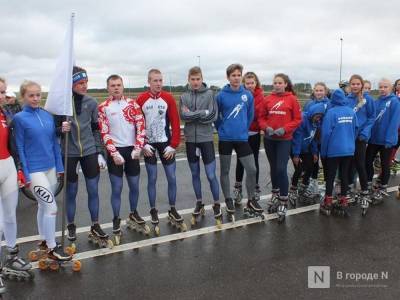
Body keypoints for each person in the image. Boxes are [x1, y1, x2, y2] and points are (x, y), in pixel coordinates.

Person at [13, 80, 72, 261]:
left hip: (51, 168)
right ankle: (53, 248)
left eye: (38, 94)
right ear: (23, 97)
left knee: (43, 205)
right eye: (31, 95)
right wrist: (25, 172)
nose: (35, 98)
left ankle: (44, 240)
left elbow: (54, 143)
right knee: (51, 207)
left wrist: (60, 167)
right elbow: (19, 148)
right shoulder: (19, 119)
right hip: (34, 171)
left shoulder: (46, 115)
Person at [54, 66, 109, 247]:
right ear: (71, 84)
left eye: (86, 82)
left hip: (89, 152)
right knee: (71, 192)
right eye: (80, 83)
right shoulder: (61, 104)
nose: (84, 86)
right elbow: (53, 131)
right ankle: (70, 225)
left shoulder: (92, 103)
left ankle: (95, 224)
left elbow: (96, 130)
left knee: (93, 190)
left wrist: (100, 152)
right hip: (69, 153)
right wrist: (61, 129)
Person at [137, 69, 186, 234]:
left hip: (165, 143)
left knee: (172, 177)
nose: (158, 83)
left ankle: (172, 208)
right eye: (155, 81)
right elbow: (137, 125)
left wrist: (173, 144)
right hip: (149, 145)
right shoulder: (141, 99)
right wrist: (143, 143)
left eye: (160, 80)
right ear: (149, 82)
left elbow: (175, 122)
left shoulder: (168, 98)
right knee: (152, 178)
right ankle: (153, 210)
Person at [98, 75, 147, 242]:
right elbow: (104, 132)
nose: (116, 88)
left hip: (132, 150)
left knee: (134, 185)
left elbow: (141, 127)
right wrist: (113, 153)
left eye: (119, 85)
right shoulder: (103, 107)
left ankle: (133, 213)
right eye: (113, 85)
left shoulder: (133, 105)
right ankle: (116, 219)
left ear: (123, 87)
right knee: (117, 188)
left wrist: (138, 147)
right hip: (116, 152)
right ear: (108, 88)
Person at [215, 64, 263, 221]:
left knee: (252, 169)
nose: (236, 78)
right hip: (225, 139)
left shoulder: (247, 95)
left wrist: (243, 129)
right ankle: (228, 199)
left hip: (242, 138)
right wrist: (222, 129)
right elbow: (217, 116)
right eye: (233, 75)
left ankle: (250, 200)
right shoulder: (221, 95)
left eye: (238, 75)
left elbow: (250, 115)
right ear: (228, 77)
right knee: (225, 171)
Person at [0, 78, 32, 292]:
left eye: (2, 92)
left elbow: (14, 134)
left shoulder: (4, 114)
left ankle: (11, 256)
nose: (1, 96)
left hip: (8, 167)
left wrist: (19, 168)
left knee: (10, 216)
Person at [179, 67, 221, 225]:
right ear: (189, 79)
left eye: (198, 79)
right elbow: (183, 116)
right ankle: (199, 202)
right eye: (192, 79)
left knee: (211, 175)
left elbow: (212, 115)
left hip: (206, 140)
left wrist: (194, 114)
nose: (195, 82)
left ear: (202, 78)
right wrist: (201, 113)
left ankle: (217, 203)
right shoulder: (184, 96)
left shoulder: (210, 94)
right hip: (191, 140)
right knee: (195, 174)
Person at [257, 73, 302, 222]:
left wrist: (285, 129)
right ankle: (275, 192)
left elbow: (297, 119)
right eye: (275, 82)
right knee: (273, 167)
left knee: (281, 168)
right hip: (269, 139)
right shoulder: (268, 99)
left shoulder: (292, 99)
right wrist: (265, 127)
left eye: (280, 82)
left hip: (284, 140)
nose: (277, 85)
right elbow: (261, 118)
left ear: (285, 84)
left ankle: (284, 199)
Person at [320, 89, 357, 217]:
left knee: (330, 176)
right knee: (344, 175)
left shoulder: (331, 113)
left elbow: (325, 134)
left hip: (334, 150)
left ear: (333, 99)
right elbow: (355, 129)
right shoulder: (351, 111)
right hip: (349, 150)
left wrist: (323, 152)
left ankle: (328, 200)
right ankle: (343, 199)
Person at [366, 78, 400, 203]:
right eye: (380, 87)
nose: (382, 89)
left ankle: (382, 187)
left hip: (387, 140)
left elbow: (394, 122)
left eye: (385, 87)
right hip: (374, 139)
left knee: (385, 164)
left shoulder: (395, 102)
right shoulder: (376, 101)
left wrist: (390, 139)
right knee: (367, 161)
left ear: (391, 88)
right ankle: (368, 183)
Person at [345, 75, 375, 214]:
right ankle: (350, 189)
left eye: (358, 84)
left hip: (361, 138)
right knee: (348, 164)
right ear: (350, 85)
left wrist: (365, 133)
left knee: (360, 165)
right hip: (348, 137)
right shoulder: (347, 99)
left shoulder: (368, 99)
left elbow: (371, 118)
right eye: (353, 84)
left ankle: (364, 192)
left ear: (362, 85)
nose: (355, 86)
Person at [233, 72, 264, 204]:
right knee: (240, 161)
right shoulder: (240, 95)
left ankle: (255, 188)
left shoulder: (260, 97)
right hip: (241, 135)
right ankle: (238, 188)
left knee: (254, 161)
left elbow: (261, 115)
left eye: (252, 83)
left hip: (254, 134)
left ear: (256, 83)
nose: (250, 85)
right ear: (244, 84)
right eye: (247, 83)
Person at [289, 103, 325, 207]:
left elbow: (313, 138)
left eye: (320, 117)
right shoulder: (303, 120)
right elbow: (297, 138)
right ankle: (293, 189)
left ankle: (303, 187)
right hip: (295, 148)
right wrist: (296, 155)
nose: (318, 118)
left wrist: (314, 153)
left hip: (306, 148)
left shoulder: (316, 122)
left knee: (311, 166)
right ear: (312, 113)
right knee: (299, 169)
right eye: (317, 116)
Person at [302, 82, 330, 194]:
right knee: (314, 161)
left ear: (325, 91)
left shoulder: (330, 104)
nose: (319, 92)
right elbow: (305, 120)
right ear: (314, 91)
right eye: (317, 90)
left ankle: (328, 184)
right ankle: (313, 183)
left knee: (326, 161)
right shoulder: (309, 104)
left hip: (324, 138)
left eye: (321, 90)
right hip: (312, 138)